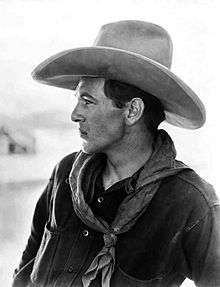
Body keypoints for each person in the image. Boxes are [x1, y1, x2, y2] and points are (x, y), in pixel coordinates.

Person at [12, 20, 220, 287]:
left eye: (87, 101)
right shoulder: (65, 174)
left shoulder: (190, 201)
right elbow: (26, 269)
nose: (75, 114)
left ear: (132, 111)